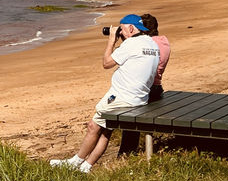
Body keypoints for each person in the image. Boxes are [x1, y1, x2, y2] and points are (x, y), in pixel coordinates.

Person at [50, 14, 160, 172]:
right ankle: (86, 166)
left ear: (130, 28)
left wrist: (111, 41)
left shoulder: (131, 45)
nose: (120, 32)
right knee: (106, 129)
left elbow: (106, 63)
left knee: (93, 126)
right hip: (139, 99)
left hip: (121, 98)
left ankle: (74, 162)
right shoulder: (151, 43)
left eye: (121, 29)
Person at [117, 13, 171, 155]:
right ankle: (128, 151)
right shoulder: (164, 42)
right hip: (158, 88)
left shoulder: (146, 45)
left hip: (146, 88)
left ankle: (126, 153)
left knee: (130, 119)